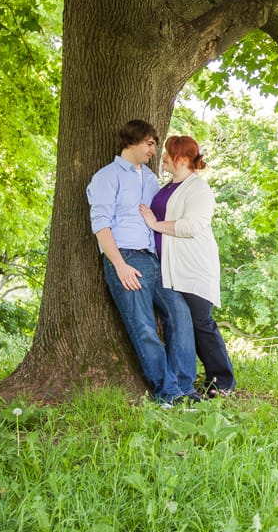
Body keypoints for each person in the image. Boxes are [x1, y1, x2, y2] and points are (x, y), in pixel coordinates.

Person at [86, 120, 201, 405]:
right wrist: (119, 265)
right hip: (125, 258)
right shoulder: (107, 176)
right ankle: (167, 392)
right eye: (150, 143)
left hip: (155, 260)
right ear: (132, 142)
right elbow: (101, 225)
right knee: (144, 325)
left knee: (180, 314)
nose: (154, 150)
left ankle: (185, 388)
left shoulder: (150, 180)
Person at [139, 135, 236, 398]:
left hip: (194, 267)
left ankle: (223, 382)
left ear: (182, 157)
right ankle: (185, 380)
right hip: (169, 267)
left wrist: (155, 225)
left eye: (168, 153)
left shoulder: (198, 189)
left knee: (201, 323)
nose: (164, 158)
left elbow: (192, 227)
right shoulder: (169, 187)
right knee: (181, 323)